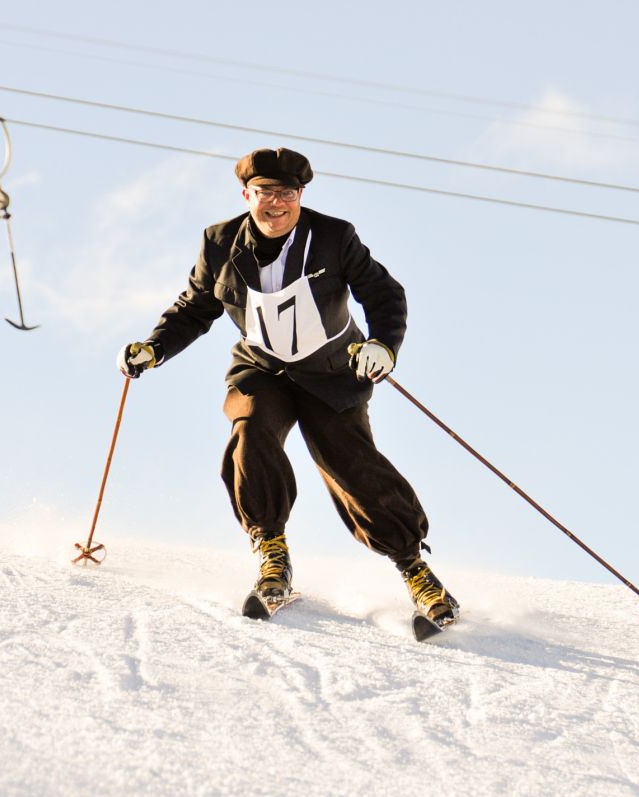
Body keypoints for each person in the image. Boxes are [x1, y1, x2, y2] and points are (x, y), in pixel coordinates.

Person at [117, 146, 458, 629]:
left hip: (332, 373)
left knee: (350, 463)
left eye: (287, 193)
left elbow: (383, 293)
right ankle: (272, 554)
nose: (276, 204)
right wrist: (154, 348)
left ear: (301, 195)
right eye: (265, 193)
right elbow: (195, 307)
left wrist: (382, 345)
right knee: (250, 430)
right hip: (262, 368)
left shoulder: (334, 237)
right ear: (246, 194)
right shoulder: (220, 242)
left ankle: (416, 571)